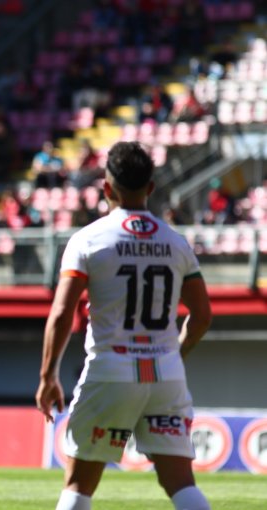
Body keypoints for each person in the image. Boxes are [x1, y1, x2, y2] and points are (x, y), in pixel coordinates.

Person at [36, 141, 212, 510]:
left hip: (111, 369)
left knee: (79, 485)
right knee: (180, 482)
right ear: (150, 188)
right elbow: (202, 315)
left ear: (106, 188)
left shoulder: (88, 240)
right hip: (165, 373)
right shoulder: (176, 243)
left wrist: (48, 376)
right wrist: (175, 354)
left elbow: (62, 312)